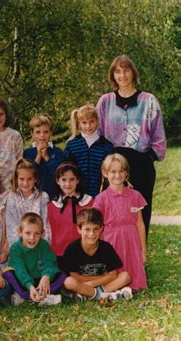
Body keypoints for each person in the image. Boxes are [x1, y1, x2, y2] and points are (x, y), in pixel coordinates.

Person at [96, 54, 166, 236]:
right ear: (113, 76)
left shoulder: (148, 101)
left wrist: (147, 157)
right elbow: (99, 134)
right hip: (113, 165)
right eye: (117, 71)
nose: (122, 75)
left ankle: (139, 259)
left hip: (141, 163)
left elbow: (159, 136)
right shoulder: (105, 102)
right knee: (112, 213)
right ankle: (113, 259)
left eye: (126, 70)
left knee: (140, 213)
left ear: (133, 73)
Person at [94, 154, 147, 290]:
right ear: (105, 173)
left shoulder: (135, 196)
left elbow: (139, 223)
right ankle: (114, 287)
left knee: (136, 282)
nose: (117, 175)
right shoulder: (101, 199)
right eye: (113, 171)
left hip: (132, 240)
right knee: (114, 270)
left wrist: (143, 250)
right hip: (111, 240)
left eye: (121, 171)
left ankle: (133, 285)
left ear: (126, 173)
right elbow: (97, 227)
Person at [61, 208, 133, 302]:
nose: (91, 234)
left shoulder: (106, 247)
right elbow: (75, 277)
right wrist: (98, 280)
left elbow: (113, 275)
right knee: (69, 282)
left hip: (100, 284)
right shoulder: (72, 248)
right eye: (87, 229)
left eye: (96, 229)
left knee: (125, 276)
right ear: (79, 229)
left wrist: (92, 284)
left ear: (101, 229)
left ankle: (87, 296)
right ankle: (108, 295)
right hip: (85, 284)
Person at [3, 213, 65, 306]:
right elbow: (20, 270)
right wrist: (30, 286)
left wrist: (46, 276)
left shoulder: (44, 245)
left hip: (41, 281)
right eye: (28, 233)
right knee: (7, 273)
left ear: (42, 233)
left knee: (62, 275)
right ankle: (39, 297)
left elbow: (50, 263)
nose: (32, 238)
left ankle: (27, 299)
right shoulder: (15, 248)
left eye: (37, 233)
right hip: (24, 282)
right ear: (20, 231)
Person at [64, 104, 113, 197]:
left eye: (92, 121)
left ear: (97, 121)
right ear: (79, 123)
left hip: (100, 195)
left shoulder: (106, 146)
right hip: (76, 195)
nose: (88, 125)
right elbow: (66, 171)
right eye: (84, 122)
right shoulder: (72, 145)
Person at [47, 163, 93, 262]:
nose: (68, 184)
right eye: (63, 179)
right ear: (57, 181)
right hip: (59, 253)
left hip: (85, 252)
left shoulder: (89, 202)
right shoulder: (52, 205)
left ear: (77, 180)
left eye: (72, 179)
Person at [6, 159, 49, 247]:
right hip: (19, 247)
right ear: (16, 179)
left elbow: (46, 224)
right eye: (21, 179)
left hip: (39, 245)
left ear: (35, 179)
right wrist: (20, 247)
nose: (25, 183)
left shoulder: (43, 197)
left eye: (29, 179)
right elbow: (11, 226)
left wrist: (43, 246)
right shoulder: (12, 197)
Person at [23, 113, 63, 198]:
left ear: (51, 133)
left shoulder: (57, 152)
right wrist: (38, 156)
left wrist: (47, 158)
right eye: (38, 132)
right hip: (34, 196)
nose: (42, 135)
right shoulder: (27, 153)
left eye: (46, 132)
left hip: (54, 195)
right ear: (32, 133)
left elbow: (60, 174)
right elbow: (28, 174)